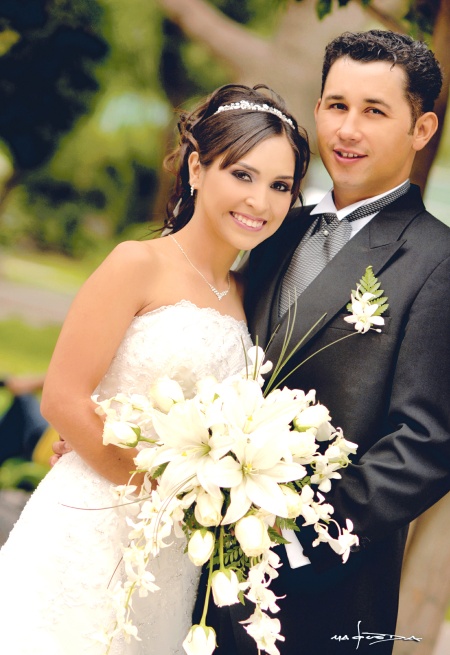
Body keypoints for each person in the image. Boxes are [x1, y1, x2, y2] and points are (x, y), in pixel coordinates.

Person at [0, 83, 310, 654]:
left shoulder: (255, 297)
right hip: (89, 525)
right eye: (242, 175)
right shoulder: (137, 263)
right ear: (196, 168)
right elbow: (63, 399)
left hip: (174, 558)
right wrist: (170, 496)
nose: (260, 202)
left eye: (280, 186)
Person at [200, 30, 450, 655]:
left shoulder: (437, 259)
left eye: (374, 111)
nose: (348, 130)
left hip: (326, 590)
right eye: (336, 105)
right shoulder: (271, 226)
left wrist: (289, 535)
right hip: (203, 564)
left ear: (422, 129)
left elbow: (427, 443)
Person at [0, 374, 55, 468]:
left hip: (44, 444)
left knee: (23, 401)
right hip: (48, 440)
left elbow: (68, 381)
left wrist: (25, 384)